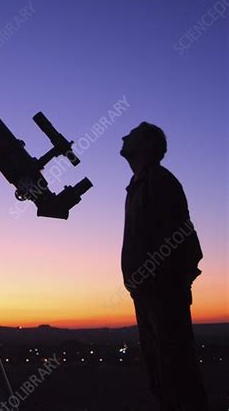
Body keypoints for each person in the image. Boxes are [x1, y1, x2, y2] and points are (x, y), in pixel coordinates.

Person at [120, 122, 208, 411]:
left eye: (131, 134)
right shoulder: (141, 183)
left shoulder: (159, 181)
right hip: (147, 292)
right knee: (160, 372)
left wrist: (167, 283)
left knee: (177, 370)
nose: (123, 136)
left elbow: (184, 237)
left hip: (162, 292)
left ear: (145, 145)